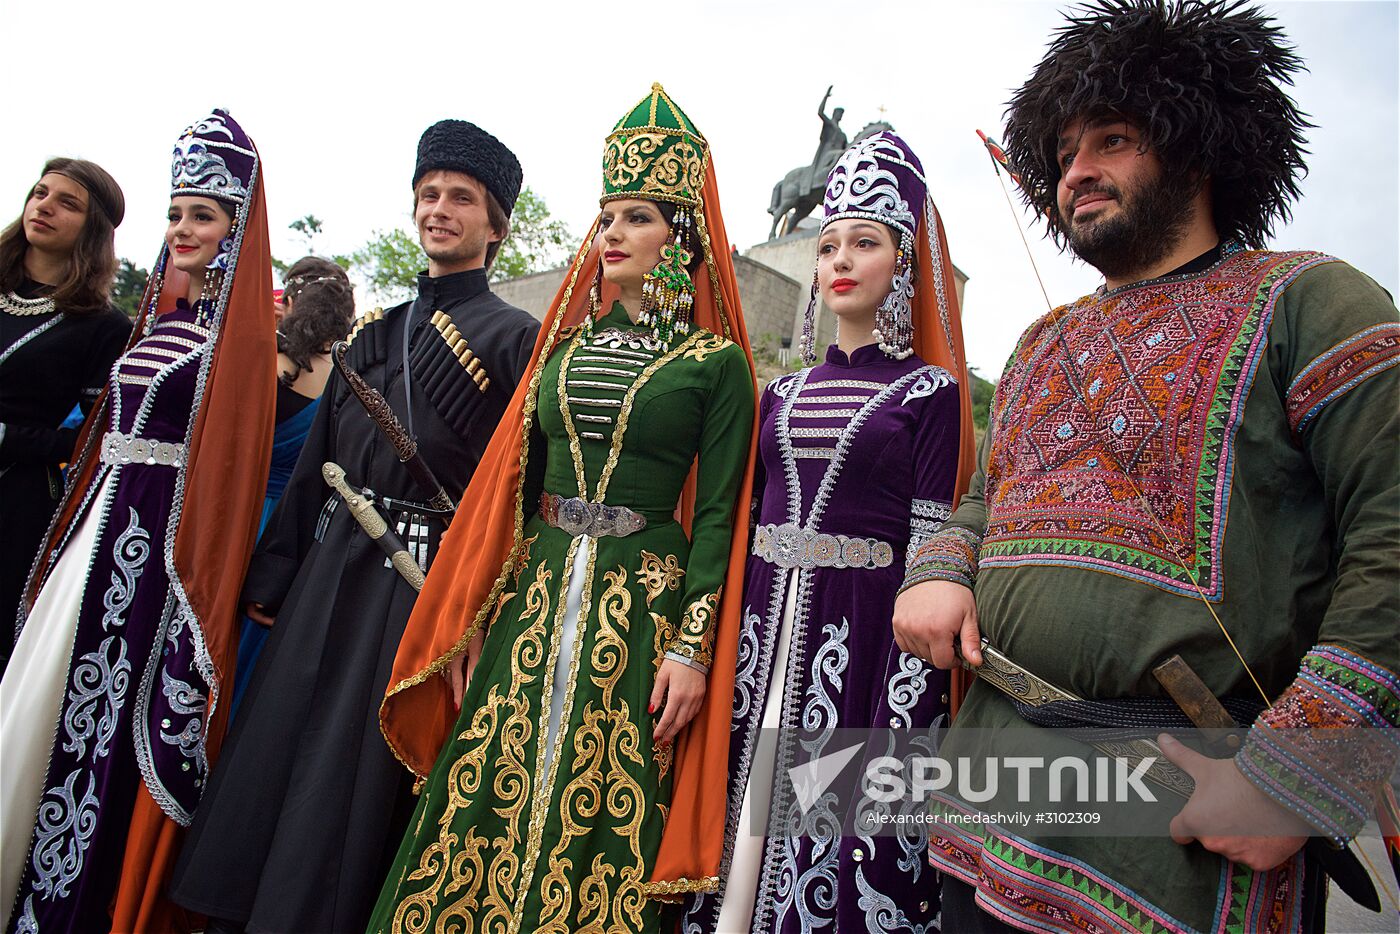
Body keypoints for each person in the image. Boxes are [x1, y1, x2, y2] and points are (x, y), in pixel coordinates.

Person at [894, 2, 1399, 931]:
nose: (1074, 173)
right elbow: (981, 503)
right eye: (1062, 155)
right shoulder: (1042, 341)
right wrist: (940, 571)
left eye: (1111, 140)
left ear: (1197, 149)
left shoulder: (1313, 299)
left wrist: (1304, 773)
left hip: (1189, 822)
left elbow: (1394, 537)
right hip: (990, 786)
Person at [367, 83, 758, 933]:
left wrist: (692, 649)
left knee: (603, 803)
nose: (611, 234)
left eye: (639, 217)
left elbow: (721, 515)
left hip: (641, 608)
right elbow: (508, 492)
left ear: (680, 238)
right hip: (534, 595)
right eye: (608, 214)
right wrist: (473, 618)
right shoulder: (563, 346)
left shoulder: (716, 363)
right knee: (488, 785)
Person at [170, 119, 540, 933]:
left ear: (496, 224)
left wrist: (485, 603)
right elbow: (316, 469)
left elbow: (518, 485)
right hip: (332, 561)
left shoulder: (516, 338)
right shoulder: (373, 334)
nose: (440, 210)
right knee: (286, 741)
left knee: (357, 768)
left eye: (461, 199)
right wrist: (275, 572)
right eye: (429, 196)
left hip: (425, 581)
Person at [0, 109, 275, 932]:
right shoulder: (157, 328)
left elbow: (228, 480)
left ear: (235, 230)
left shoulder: (237, 347)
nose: (183, 228)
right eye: (176, 212)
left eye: (204, 214)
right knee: (35, 706)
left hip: (153, 561)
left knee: (95, 732)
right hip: (91, 537)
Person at [699, 131, 976, 933]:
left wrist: (906, 684)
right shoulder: (778, 393)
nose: (842, 260)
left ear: (902, 263)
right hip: (761, 626)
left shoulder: (931, 393)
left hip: (862, 634)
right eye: (828, 246)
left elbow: (931, 543)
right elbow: (752, 515)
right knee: (742, 820)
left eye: (866, 241)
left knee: (836, 827)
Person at [0, 159, 132, 661]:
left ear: (92, 227)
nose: (45, 206)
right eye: (39, 193)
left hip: (16, 501)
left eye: (67, 203)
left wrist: (9, 438)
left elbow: (95, 441)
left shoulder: (102, 327)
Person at [227, 258, 355, 714]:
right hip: (305, 526)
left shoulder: (269, 358)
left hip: (247, 514)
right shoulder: (352, 371)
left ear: (293, 299)